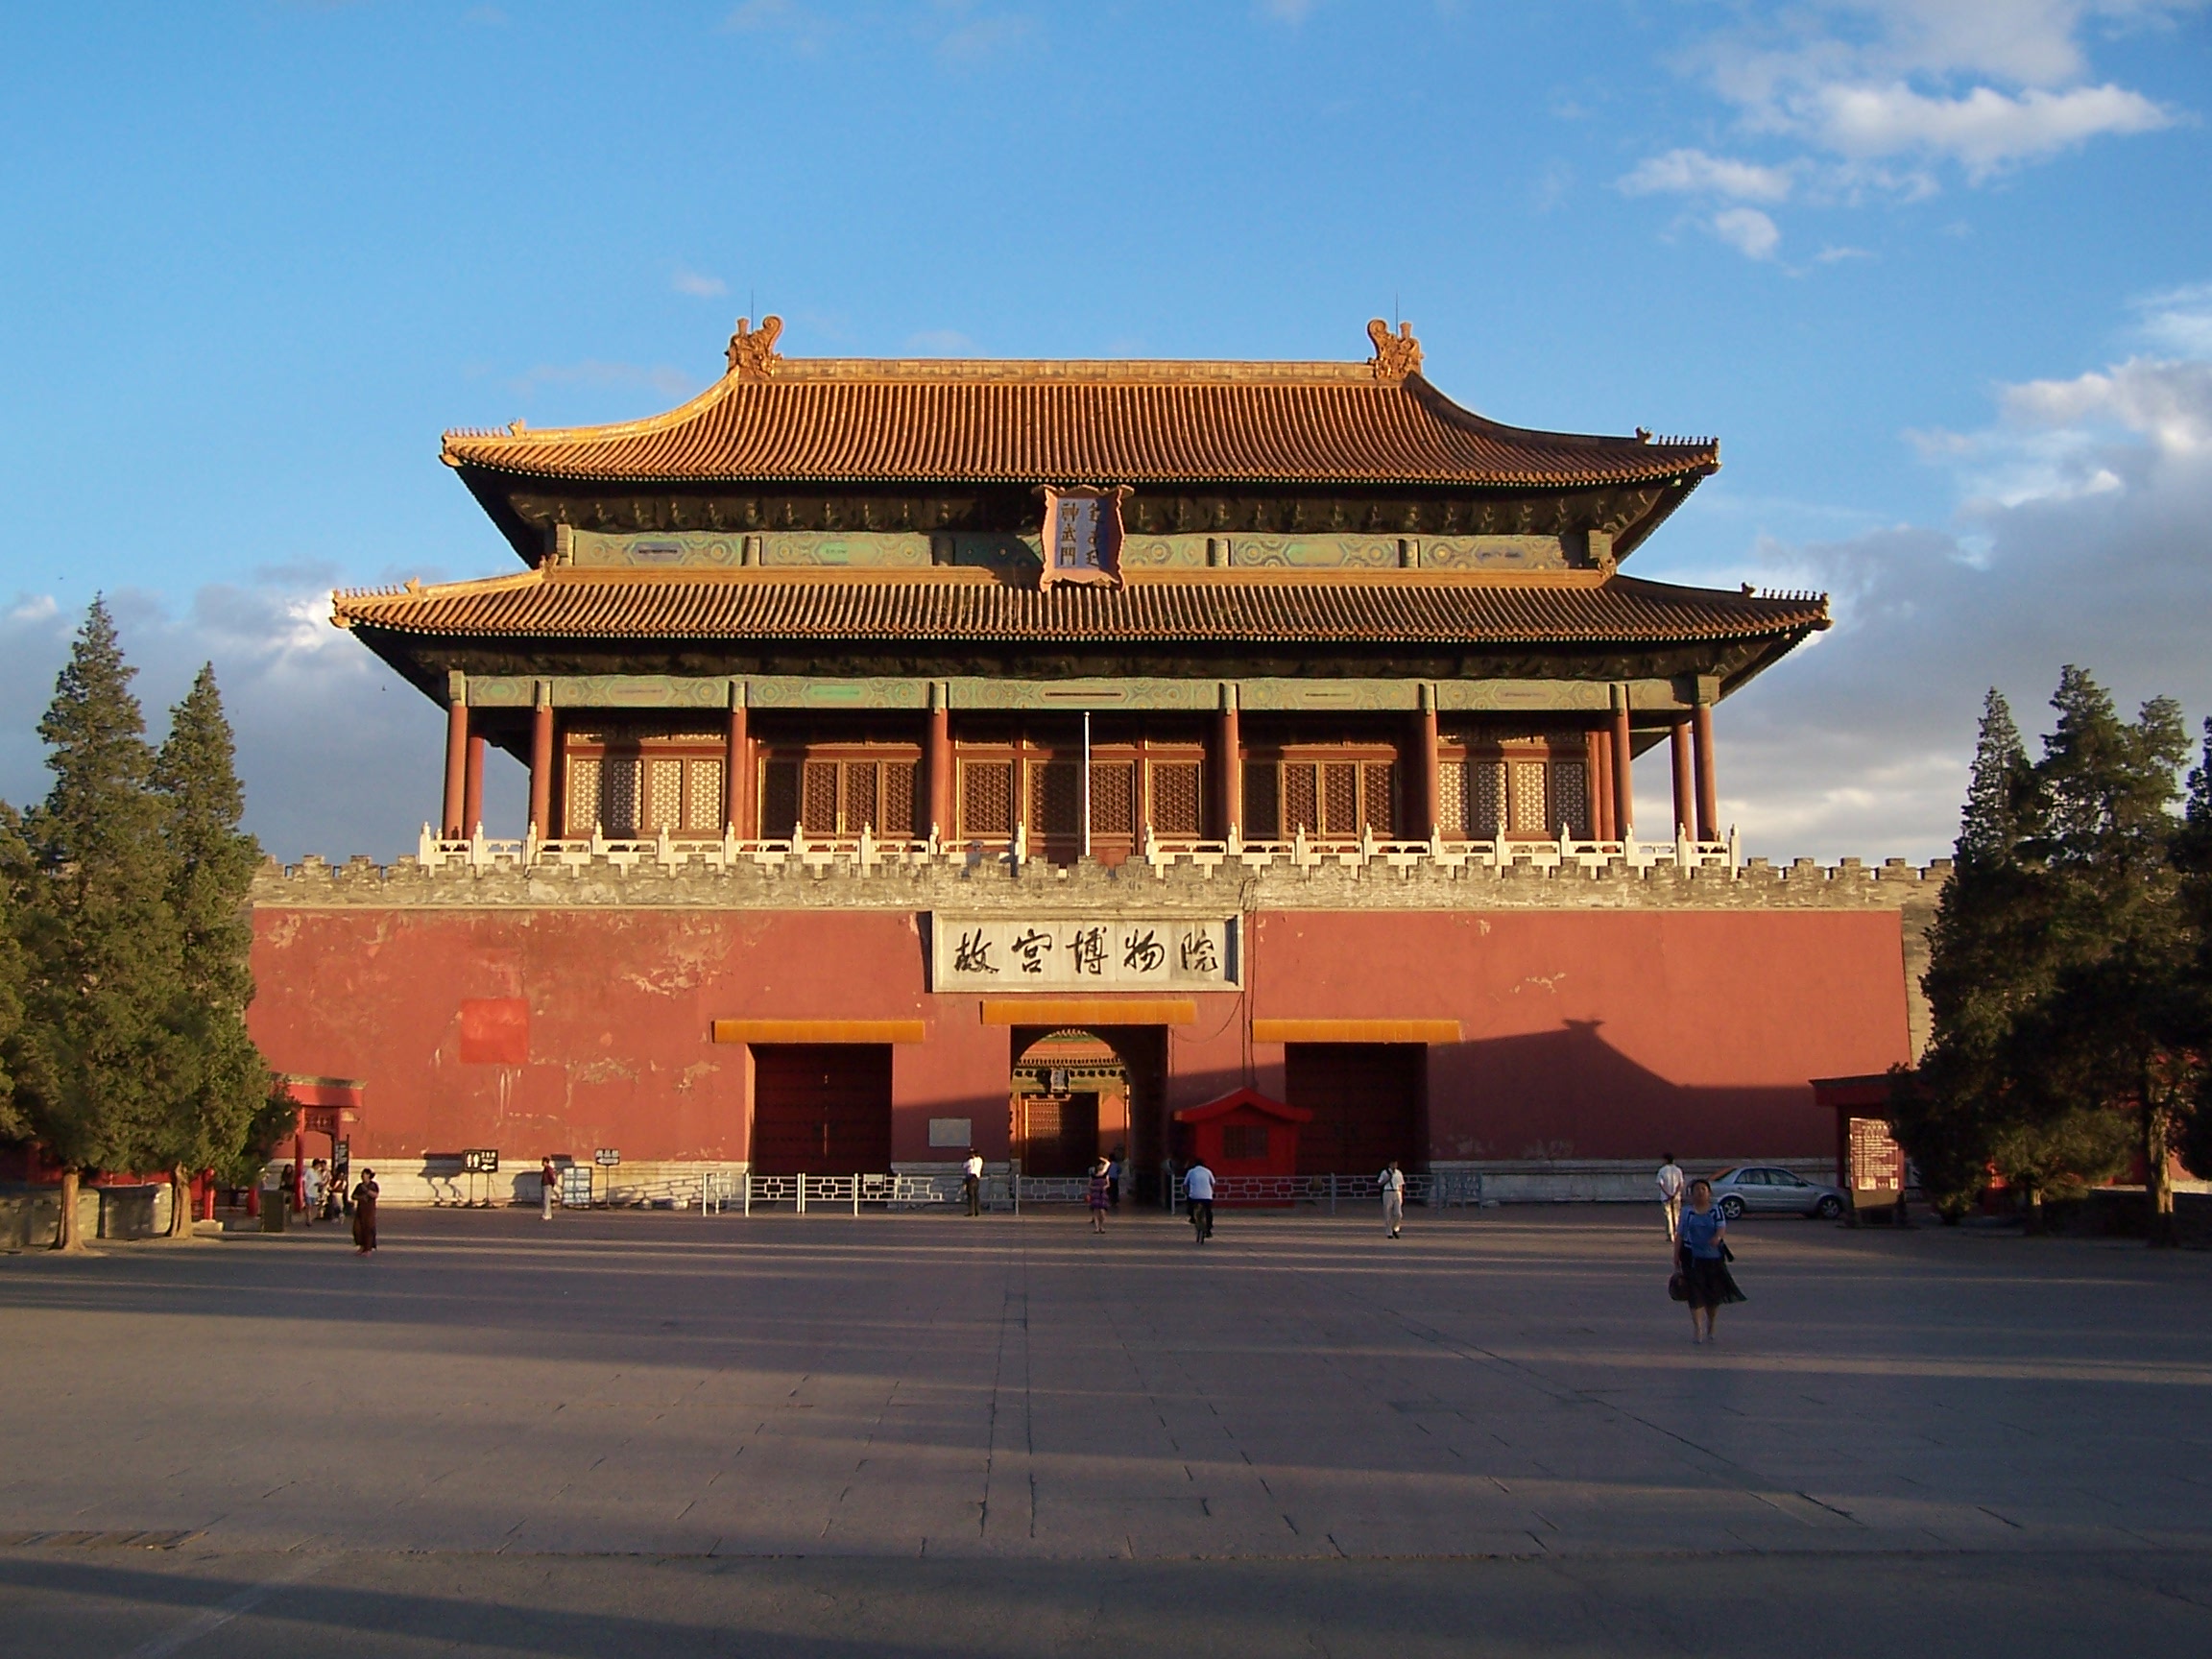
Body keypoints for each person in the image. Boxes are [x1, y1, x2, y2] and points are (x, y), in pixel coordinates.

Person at [1675, 1177, 1743, 1343]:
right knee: (1695, 1293)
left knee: (1713, 1295)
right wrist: (1676, 1255)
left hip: (1713, 1258)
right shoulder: (1686, 1212)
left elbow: (1721, 1227)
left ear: (1709, 1193)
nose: (1700, 1193)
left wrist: (1717, 1238)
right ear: (1691, 1194)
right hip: (1692, 1257)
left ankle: (1711, 1325)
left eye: (1703, 1190)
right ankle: (1697, 1328)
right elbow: (1680, 1234)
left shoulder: (1716, 1210)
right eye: (1697, 1190)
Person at [1184, 1156, 1215, 1244]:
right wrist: (1211, 1192)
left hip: (1194, 1196)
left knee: (1190, 1206)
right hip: (1207, 1196)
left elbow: (1185, 1184)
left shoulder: (1191, 1171)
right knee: (1208, 1211)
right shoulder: (1208, 1171)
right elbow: (1213, 1183)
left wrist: (1187, 1194)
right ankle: (1208, 1229)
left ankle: (1192, 1218)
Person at [1656, 1153, 1686, 1243]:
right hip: (1676, 1197)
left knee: (1668, 1216)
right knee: (1676, 1215)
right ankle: (1677, 1234)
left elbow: (1660, 1184)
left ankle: (1670, 1235)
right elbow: (1680, 1184)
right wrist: (1675, 1193)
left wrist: (1668, 1193)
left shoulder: (1662, 1170)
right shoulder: (1678, 1170)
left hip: (1665, 1197)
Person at [350, 1168, 380, 1256]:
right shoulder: (359, 1185)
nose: (362, 1176)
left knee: (369, 1229)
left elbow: (376, 1195)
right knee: (358, 1229)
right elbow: (353, 1196)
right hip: (360, 1210)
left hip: (369, 1211)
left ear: (368, 1175)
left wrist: (367, 1191)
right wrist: (360, 1197)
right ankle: (361, 1246)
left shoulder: (373, 1185)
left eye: (364, 1175)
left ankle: (368, 1249)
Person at [1378, 1159, 1406, 1238]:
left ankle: (1395, 1228)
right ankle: (1389, 1232)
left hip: (1397, 1192)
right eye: (1393, 1164)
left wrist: (1401, 1195)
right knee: (1387, 1212)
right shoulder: (1384, 1172)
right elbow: (1380, 1183)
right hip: (1387, 1192)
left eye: (1395, 1164)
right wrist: (1387, 1178)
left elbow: (1401, 1185)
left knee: (1398, 1214)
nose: (1394, 1166)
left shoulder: (1399, 1173)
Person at [1087, 1156, 1111, 1235]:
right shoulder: (1093, 1175)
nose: (1100, 1166)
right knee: (1096, 1211)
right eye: (1099, 1165)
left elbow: (1108, 1184)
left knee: (1102, 1211)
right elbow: (1089, 1185)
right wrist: (1094, 1188)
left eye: (1101, 1165)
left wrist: (1102, 1159)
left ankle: (1101, 1226)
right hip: (1095, 1194)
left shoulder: (1105, 1175)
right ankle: (1097, 1228)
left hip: (1102, 1194)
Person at [963, 1149, 984, 1217]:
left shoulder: (970, 1161)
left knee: (970, 1195)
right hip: (977, 1178)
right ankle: (977, 1211)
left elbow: (964, 1166)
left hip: (971, 1178)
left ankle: (971, 1211)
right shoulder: (980, 1160)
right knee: (976, 1195)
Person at [301, 1160, 322, 1227]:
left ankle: (310, 1218)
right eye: (318, 1165)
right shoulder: (309, 1171)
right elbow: (304, 1180)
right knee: (308, 1206)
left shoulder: (317, 1173)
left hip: (314, 1191)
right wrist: (303, 1190)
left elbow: (319, 1180)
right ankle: (308, 1219)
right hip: (308, 1191)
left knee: (313, 1206)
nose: (319, 1166)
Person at [540, 1156, 560, 1221]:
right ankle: (548, 1214)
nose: (542, 1163)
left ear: (545, 1162)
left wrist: (552, 1184)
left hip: (547, 1185)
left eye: (543, 1162)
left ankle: (546, 1215)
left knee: (546, 1200)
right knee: (546, 1200)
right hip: (546, 1185)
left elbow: (552, 1177)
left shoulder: (548, 1169)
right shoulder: (546, 1169)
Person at [1106, 1147, 1123, 1213]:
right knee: (1115, 1189)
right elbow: (1119, 1170)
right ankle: (1114, 1201)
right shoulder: (1116, 1164)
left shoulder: (1108, 1164)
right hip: (1115, 1178)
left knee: (1109, 1189)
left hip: (1108, 1178)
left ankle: (1109, 1200)